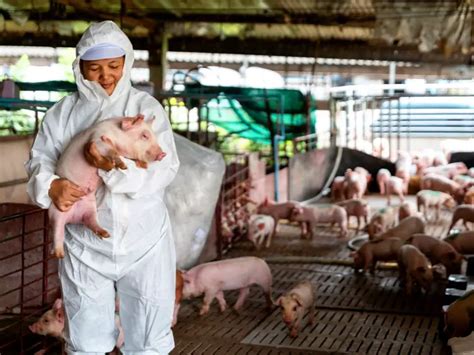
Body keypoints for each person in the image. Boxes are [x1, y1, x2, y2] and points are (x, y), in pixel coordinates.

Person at [26, 21, 179, 354]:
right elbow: (39, 162)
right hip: (85, 245)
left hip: (144, 240)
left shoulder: (146, 110)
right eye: (94, 68)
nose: (105, 75)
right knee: (85, 338)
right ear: (80, 67)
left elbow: (164, 169)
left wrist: (112, 170)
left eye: (113, 65)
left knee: (149, 334)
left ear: (127, 62)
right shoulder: (62, 114)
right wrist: (52, 186)